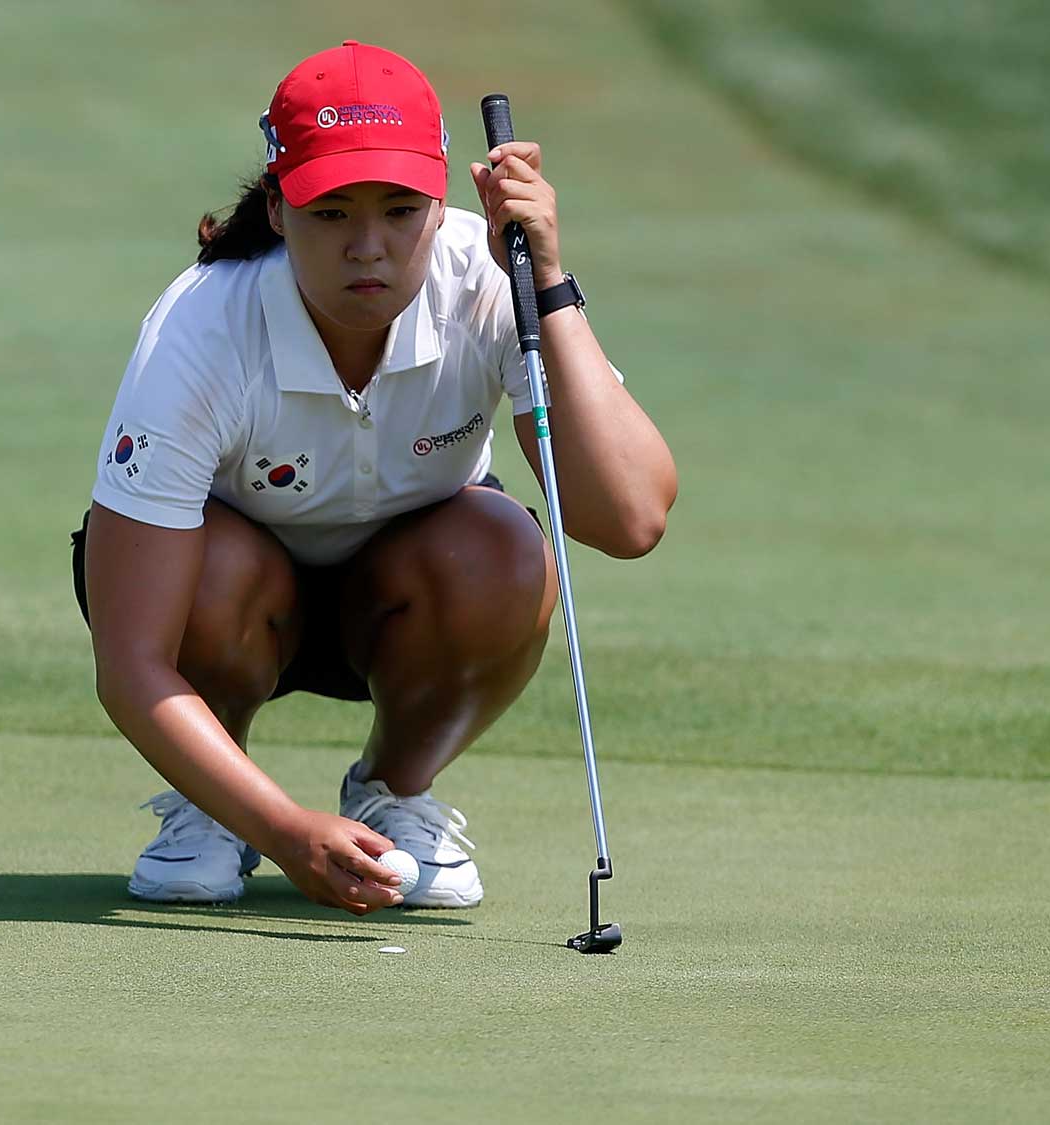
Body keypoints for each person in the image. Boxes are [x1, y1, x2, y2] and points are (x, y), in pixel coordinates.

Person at [73, 40, 676, 915]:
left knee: (503, 550)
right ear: (278, 211)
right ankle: (219, 807)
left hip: (410, 605)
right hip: (226, 610)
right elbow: (130, 662)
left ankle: (394, 792)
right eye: (330, 214)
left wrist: (545, 277)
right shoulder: (201, 330)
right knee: (214, 567)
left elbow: (628, 518)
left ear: (441, 205)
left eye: (399, 210)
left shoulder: (486, 280)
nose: (368, 248)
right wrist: (283, 828)